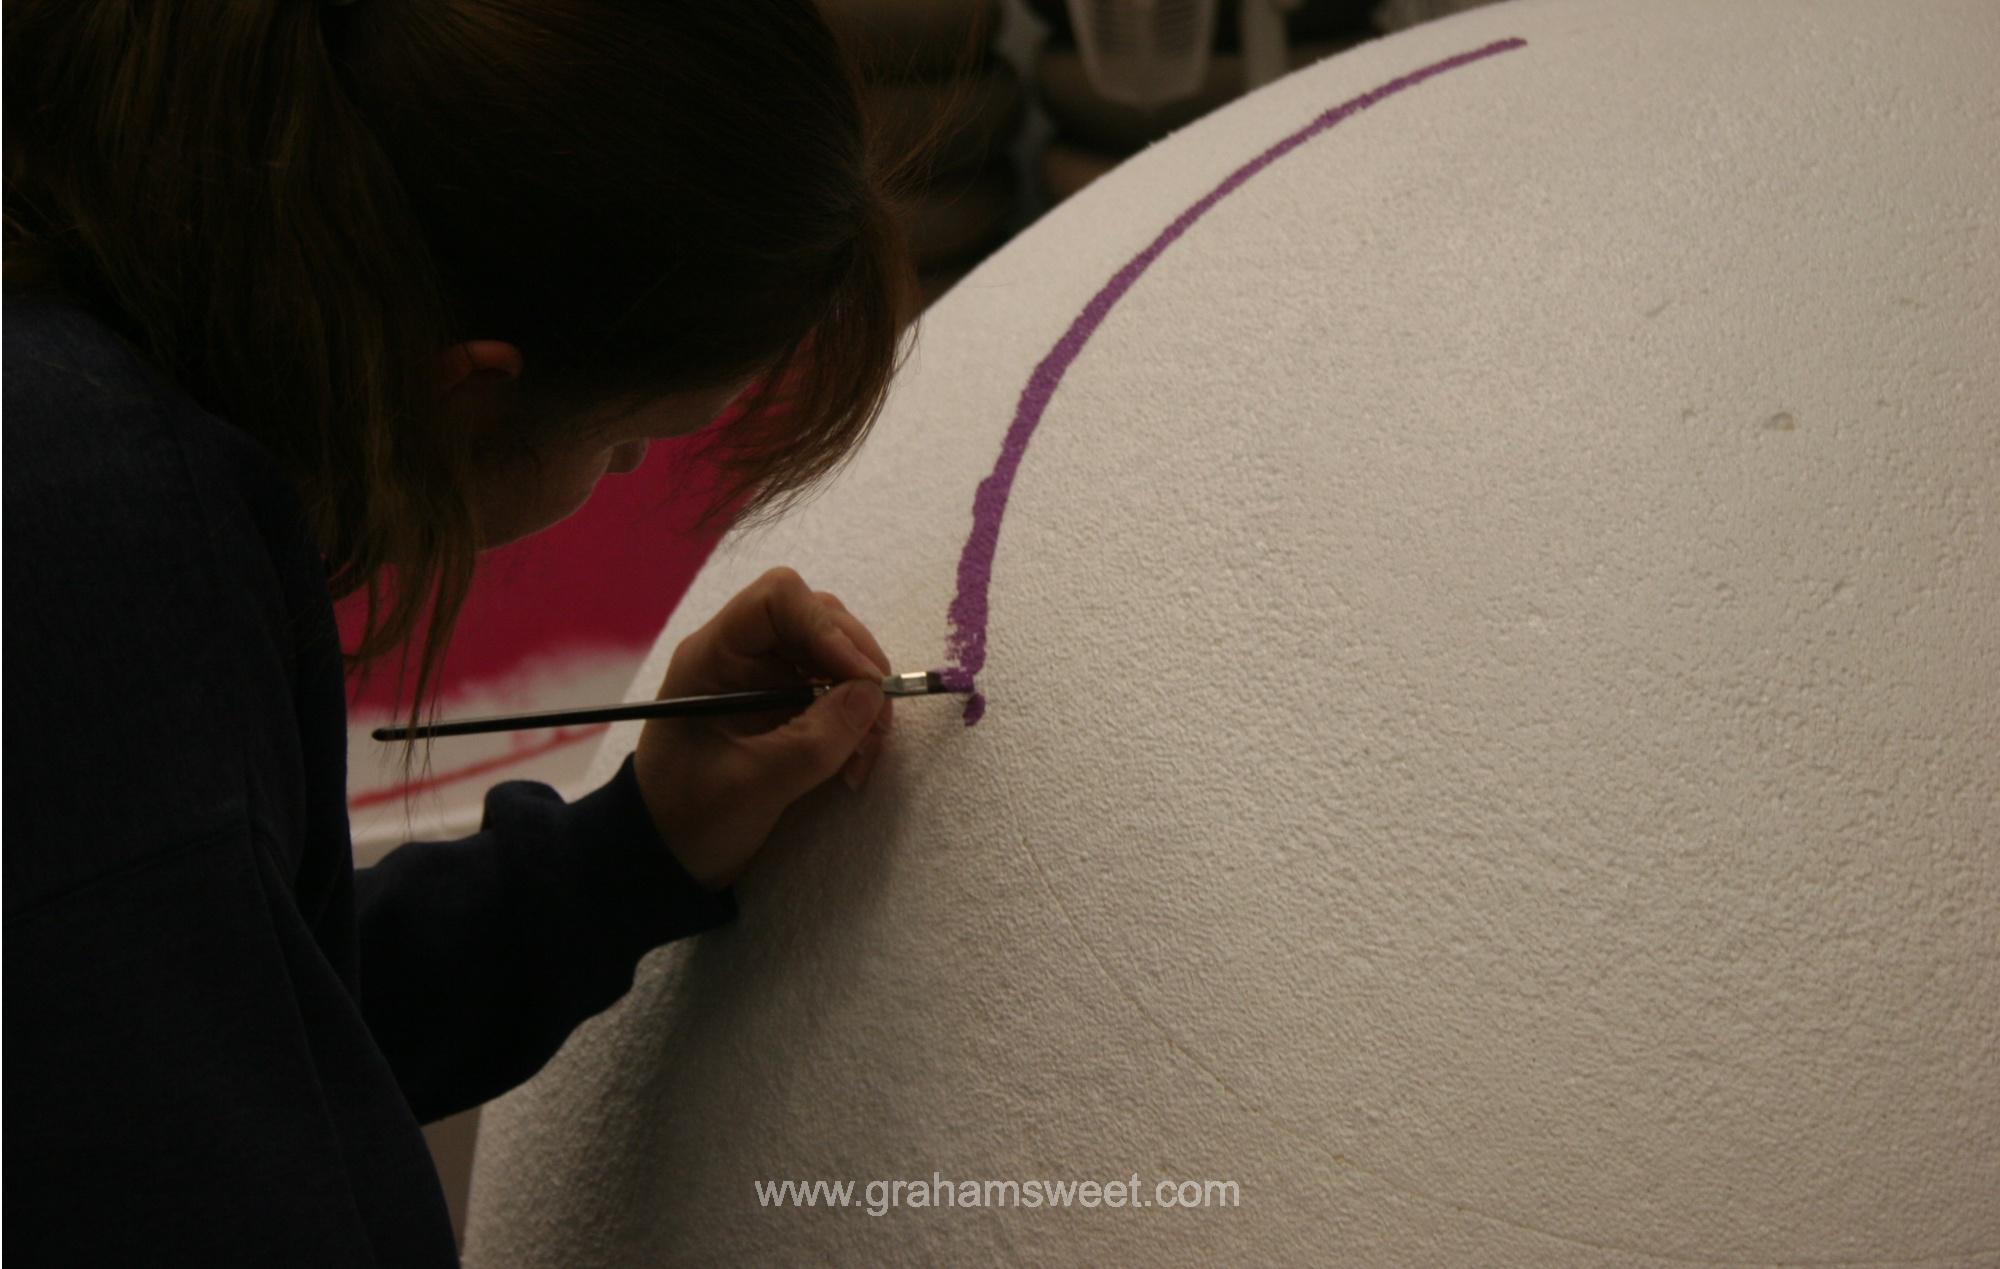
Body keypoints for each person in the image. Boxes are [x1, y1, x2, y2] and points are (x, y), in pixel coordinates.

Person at [3, 1, 969, 1261]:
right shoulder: (97, 554)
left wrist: (633, 850)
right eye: (625, 441)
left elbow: (228, 1030)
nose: (621, 468)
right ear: (462, 390)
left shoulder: (66, 365)